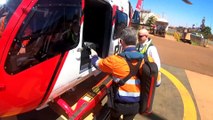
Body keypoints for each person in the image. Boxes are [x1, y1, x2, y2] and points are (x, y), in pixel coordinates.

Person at [90, 27, 143, 120]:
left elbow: (97, 64)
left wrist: (94, 55)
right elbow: (157, 82)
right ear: (136, 42)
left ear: (121, 42)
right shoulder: (145, 60)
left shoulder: (115, 60)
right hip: (136, 104)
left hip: (119, 104)